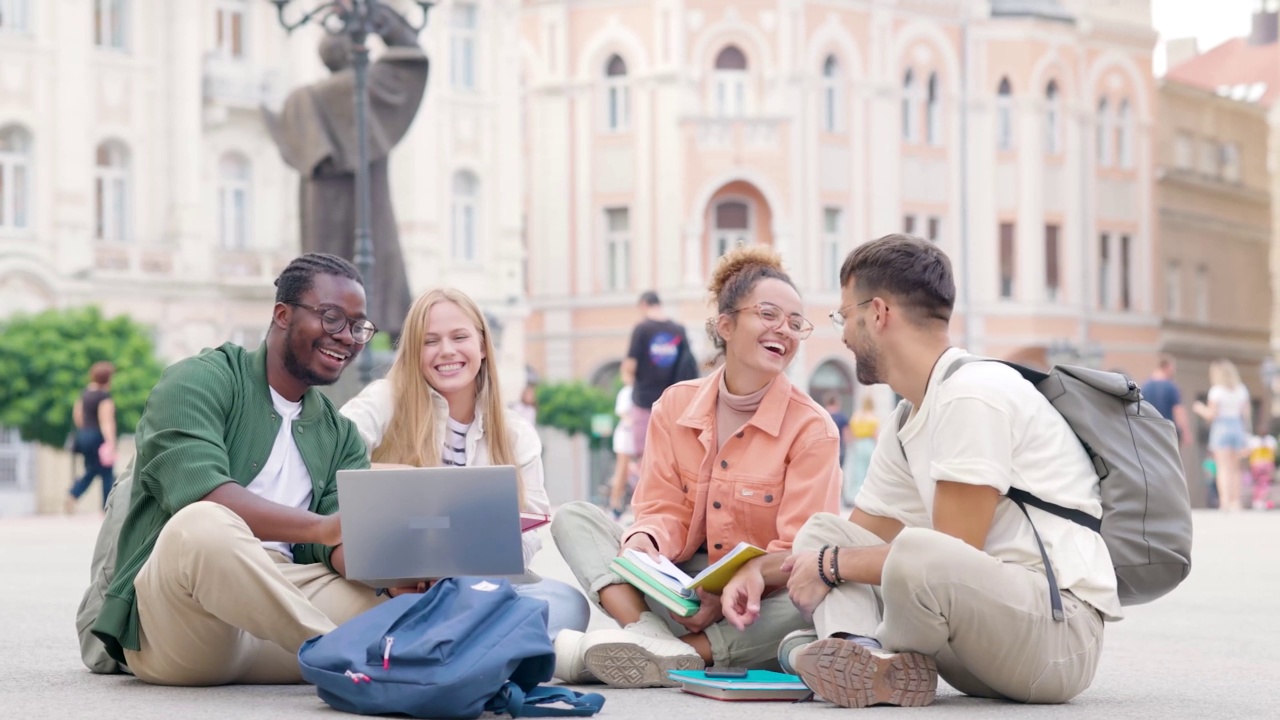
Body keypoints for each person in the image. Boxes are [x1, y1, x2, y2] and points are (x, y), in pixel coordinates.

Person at [721, 234, 1121, 708]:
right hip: (973, 645)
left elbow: (949, 554)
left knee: (912, 550)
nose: (843, 335)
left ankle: (839, 652)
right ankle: (860, 653)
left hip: (1054, 639)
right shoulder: (908, 417)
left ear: (878, 313)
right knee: (825, 532)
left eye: (844, 316)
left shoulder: (974, 393)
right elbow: (856, 539)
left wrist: (829, 566)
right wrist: (757, 571)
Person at [88, 253, 386, 686]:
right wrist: (323, 528)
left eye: (358, 326)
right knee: (203, 524)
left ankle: (373, 656)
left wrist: (396, 572)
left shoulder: (341, 435)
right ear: (282, 315)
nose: (348, 338)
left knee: (424, 600)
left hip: (284, 622)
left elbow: (339, 545)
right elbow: (202, 492)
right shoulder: (198, 380)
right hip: (189, 626)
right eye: (333, 318)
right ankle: (342, 653)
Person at [550, 246, 841, 688]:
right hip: (674, 589)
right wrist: (645, 542)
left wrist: (729, 588)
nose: (784, 329)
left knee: (819, 597)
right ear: (726, 324)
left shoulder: (813, 429)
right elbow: (660, 506)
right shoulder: (675, 405)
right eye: (768, 314)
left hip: (754, 600)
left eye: (795, 322)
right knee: (575, 518)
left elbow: (796, 550)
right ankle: (647, 634)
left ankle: (680, 656)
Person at [340, 288, 590, 641]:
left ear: (483, 345)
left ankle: (451, 640)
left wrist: (468, 570)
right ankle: (482, 644)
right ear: (414, 350)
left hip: (481, 588)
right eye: (430, 341)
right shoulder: (385, 399)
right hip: (395, 588)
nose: (447, 351)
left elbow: (531, 534)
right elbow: (331, 458)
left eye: (460, 337)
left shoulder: (516, 432)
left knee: (566, 603)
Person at [263, 5, 427, 336]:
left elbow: (278, 127)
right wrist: (379, 15)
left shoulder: (302, 100)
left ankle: (329, 328)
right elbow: (410, 53)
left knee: (324, 283)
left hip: (321, 210)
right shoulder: (371, 85)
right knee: (377, 268)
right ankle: (388, 332)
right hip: (369, 204)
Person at [623, 291, 695, 459]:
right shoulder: (678, 329)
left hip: (645, 402)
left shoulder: (642, 329)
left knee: (645, 457)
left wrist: (627, 378)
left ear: (643, 305)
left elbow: (630, 367)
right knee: (670, 456)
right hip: (673, 404)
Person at [1193, 359, 1251, 511]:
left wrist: (1199, 409)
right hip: (1237, 426)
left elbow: (1212, 414)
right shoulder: (1241, 389)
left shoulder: (1216, 391)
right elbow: (1245, 414)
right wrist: (1246, 434)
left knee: (1222, 467)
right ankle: (1235, 501)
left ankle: (1225, 501)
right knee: (1236, 468)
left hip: (1221, 427)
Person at [67, 361, 118, 512]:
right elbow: (106, 421)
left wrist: (85, 430)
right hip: (97, 436)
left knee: (93, 468)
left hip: (83, 435)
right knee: (107, 472)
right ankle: (107, 507)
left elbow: (77, 415)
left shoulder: (84, 393)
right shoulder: (104, 396)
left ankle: (73, 493)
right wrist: (111, 442)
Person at [1142, 354, 1192, 447]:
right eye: (1173, 367)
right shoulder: (1171, 387)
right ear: (1166, 367)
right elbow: (1178, 410)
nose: (1174, 371)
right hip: (1168, 432)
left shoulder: (1145, 386)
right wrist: (1185, 431)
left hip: (1149, 431)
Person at [607, 374, 638, 520]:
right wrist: (635, 424)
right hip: (627, 435)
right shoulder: (627, 392)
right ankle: (614, 505)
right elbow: (623, 413)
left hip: (639, 434)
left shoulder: (642, 391)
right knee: (622, 470)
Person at [845, 395, 879, 507]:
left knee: (857, 472)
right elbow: (875, 434)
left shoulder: (857, 416)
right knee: (869, 471)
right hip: (868, 443)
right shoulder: (872, 417)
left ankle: (854, 496)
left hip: (857, 444)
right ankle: (868, 497)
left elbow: (851, 432)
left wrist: (850, 445)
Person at [823, 394, 851, 469]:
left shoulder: (822, 416)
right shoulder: (842, 417)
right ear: (837, 403)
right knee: (839, 470)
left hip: (825, 448)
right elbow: (846, 435)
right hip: (839, 448)